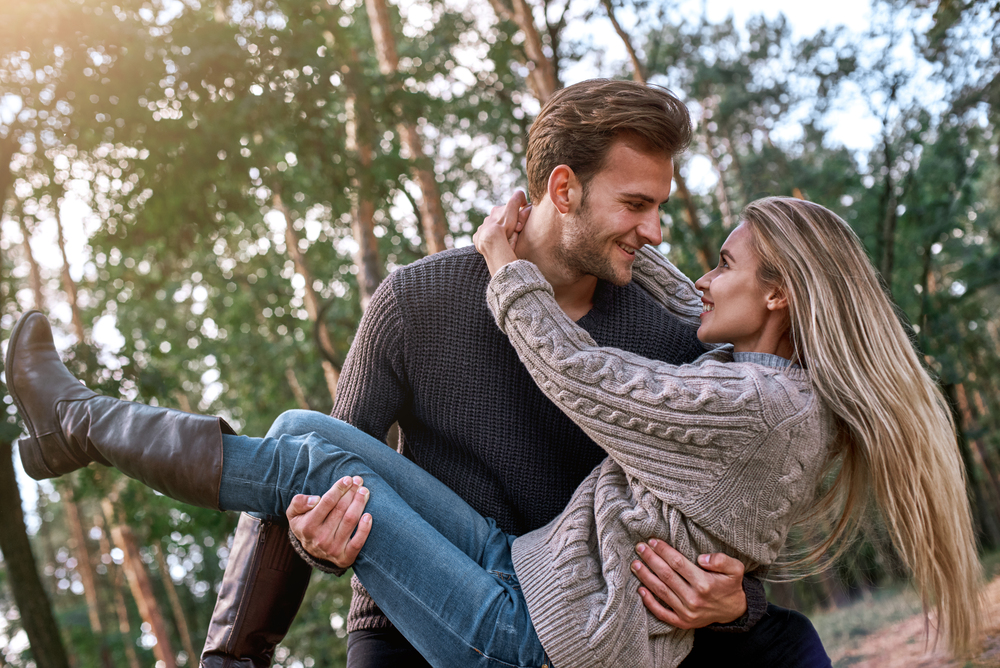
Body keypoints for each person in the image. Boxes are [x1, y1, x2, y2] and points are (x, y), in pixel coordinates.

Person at [6, 196, 981, 668]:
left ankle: (82, 419)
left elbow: (580, 376)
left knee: (306, 451)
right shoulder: (758, 372)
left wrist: (502, 265)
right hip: (534, 573)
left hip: (538, 644)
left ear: (776, 293)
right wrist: (589, 225)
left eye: (727, 262)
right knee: (309, 427)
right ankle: (69, 426)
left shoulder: (762, 404)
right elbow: (675, 285)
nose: (702, 272)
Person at [201, 79, 830, 668]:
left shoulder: (673, 338)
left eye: (659, 206)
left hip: (567, 624)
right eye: (637, 204)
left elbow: (725, 507)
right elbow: (332, 462)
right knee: (292, 437)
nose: (655, 231)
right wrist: (318, 541)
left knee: (789, 645)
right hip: (408, 618)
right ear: (564, 190)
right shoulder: (416, 300)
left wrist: (738, 602)